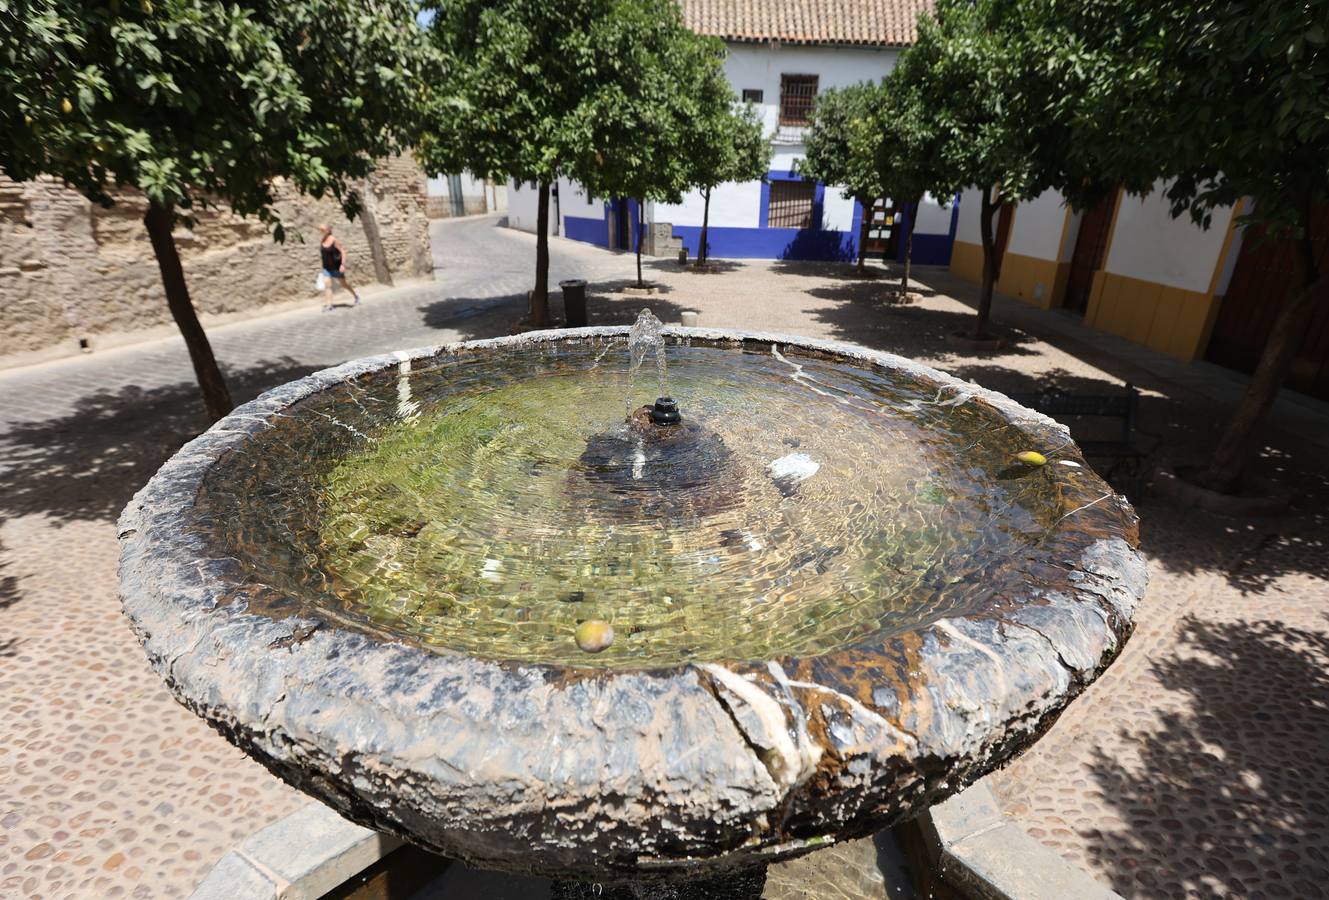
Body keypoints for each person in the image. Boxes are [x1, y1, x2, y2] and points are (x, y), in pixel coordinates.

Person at [317, 223, 360, 311]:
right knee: (327, 285)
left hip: (336, 267)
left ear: (328, 230)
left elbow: (343, 252)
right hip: (327, 267)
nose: (321, 231)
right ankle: (329, 305)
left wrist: (342, 264)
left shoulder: (334, 240)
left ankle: (356, 296)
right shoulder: (322, 240)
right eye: (320, 230)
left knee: (343, 284)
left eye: (322, 230)